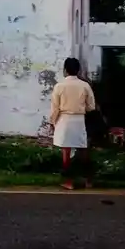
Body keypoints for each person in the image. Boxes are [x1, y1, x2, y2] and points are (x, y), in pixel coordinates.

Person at [49, 57, 96, 190]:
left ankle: (68, 182)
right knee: (83, 149)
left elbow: (55, 108)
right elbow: (91, 107)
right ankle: (88, 180)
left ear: (65, 70)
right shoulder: (85, 86)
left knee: (66, 151)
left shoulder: (59, 86)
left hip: (64, 120)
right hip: (79, 119)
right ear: (78, 70)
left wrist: (52, 122)